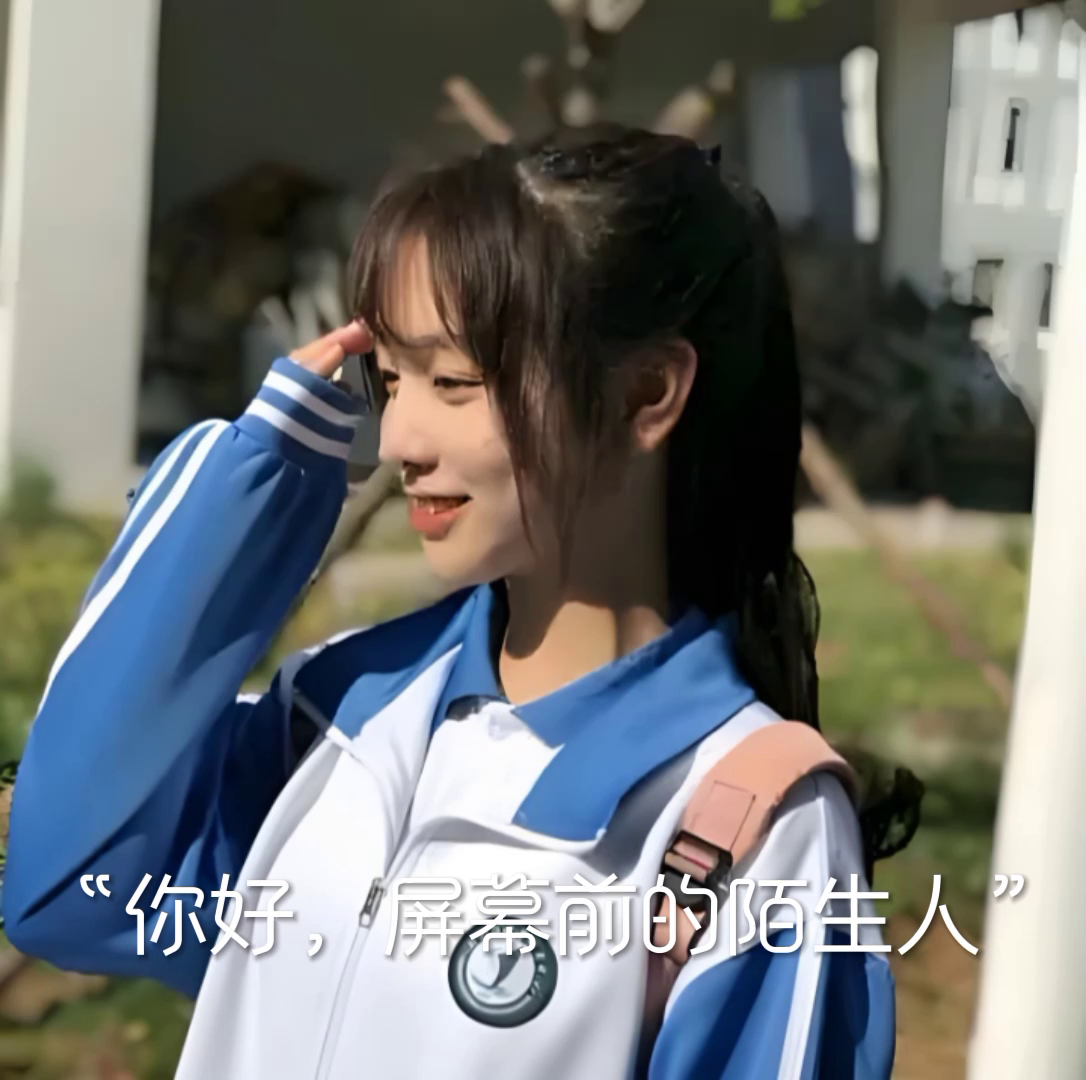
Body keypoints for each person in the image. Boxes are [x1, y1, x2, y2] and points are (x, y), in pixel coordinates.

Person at [3, 125, 895, 1079]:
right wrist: (250, 492)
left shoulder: (749, 826)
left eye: (454, 382)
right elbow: (70, 887)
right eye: (390, 379)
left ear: (647, 392)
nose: (398, 439)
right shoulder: (340, 714)